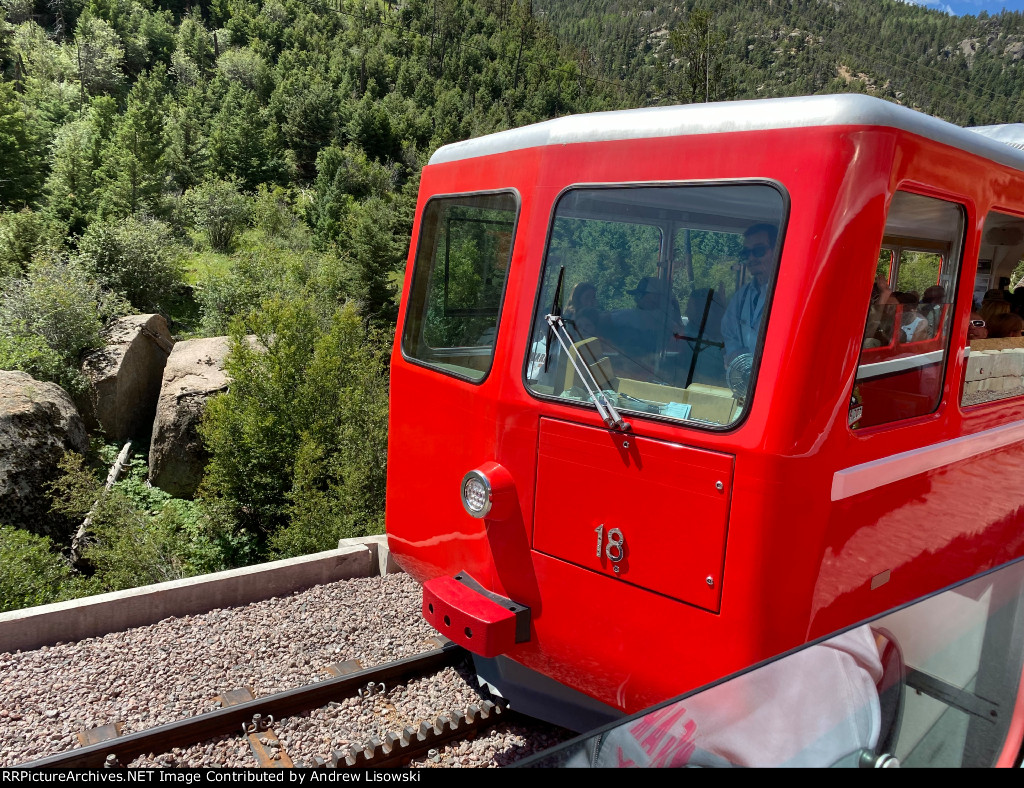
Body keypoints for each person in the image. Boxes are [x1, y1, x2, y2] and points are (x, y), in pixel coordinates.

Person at [722, 223, 776, 367]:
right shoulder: (742, 296)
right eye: (746, 253)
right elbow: (729, 333)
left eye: (759, 251)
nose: (751, 258)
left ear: (777, 251)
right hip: (743, 379)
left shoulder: (787, 296)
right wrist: (737, 355)